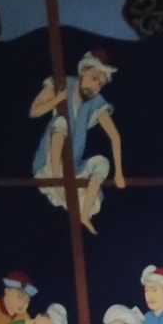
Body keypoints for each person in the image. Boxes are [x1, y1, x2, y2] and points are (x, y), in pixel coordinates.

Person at [28, 49, 124, 232]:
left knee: (102, 163)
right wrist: (57, 99)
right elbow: (34, 111)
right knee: (61, 122)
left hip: (72, 168)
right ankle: (58, 184)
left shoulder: (95, 101)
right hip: (49, 166)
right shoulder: (62, 84)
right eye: (94, 78)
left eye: (101, 84)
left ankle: (84, 215)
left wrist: (119, 173)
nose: (96, 87)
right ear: (83, 71)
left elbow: (114, 135)